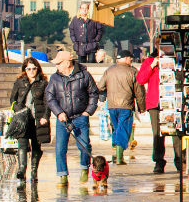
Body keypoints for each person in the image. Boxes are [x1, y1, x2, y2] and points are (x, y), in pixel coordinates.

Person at [45, 50, 99, 185]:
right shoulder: (54, 78)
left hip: (81, 116)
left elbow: (94, 93)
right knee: (60, 148)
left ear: (67, 63)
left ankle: (84, 167)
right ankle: (62, 175)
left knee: (84, 145)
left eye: (59, 63)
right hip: (63, 118)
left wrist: (88, 112)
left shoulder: (84, 75)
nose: (57, 66)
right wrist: (58, 112)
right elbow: (50, 98)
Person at [137, 47, 183, 173]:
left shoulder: (175, 59)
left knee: (176, 132)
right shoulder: (149, 61)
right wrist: (152, 65)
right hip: (155, 102)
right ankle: (158, 161)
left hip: (172, 101)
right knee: (157, 134)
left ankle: (180, 160)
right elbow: (141, 79)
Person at [97, 49, 146, 165]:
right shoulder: (133, 71)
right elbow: (139, 92)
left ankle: (116, 153)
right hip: (126, 105)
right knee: (123, 129)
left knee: (117, 128)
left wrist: (102, 99)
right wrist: (142, 107)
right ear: (126, 58)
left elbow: (100, 87)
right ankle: (119, 157)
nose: (131, 60)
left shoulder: (109, 71)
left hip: (112, 106)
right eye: (130, 58)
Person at [8, 57, 51, 184]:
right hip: (23, 119)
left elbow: (47, 102)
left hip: (37, 119)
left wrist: (45, 117)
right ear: (24, 70)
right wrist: (19, 110)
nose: (31, 71)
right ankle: (22, 170)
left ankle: (33, 172)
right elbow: (13, 99)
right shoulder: (20, 82)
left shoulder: (43, 83)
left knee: (36, 146)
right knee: (22, 144)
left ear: (38, 69)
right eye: (28, 69)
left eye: (34, 69)